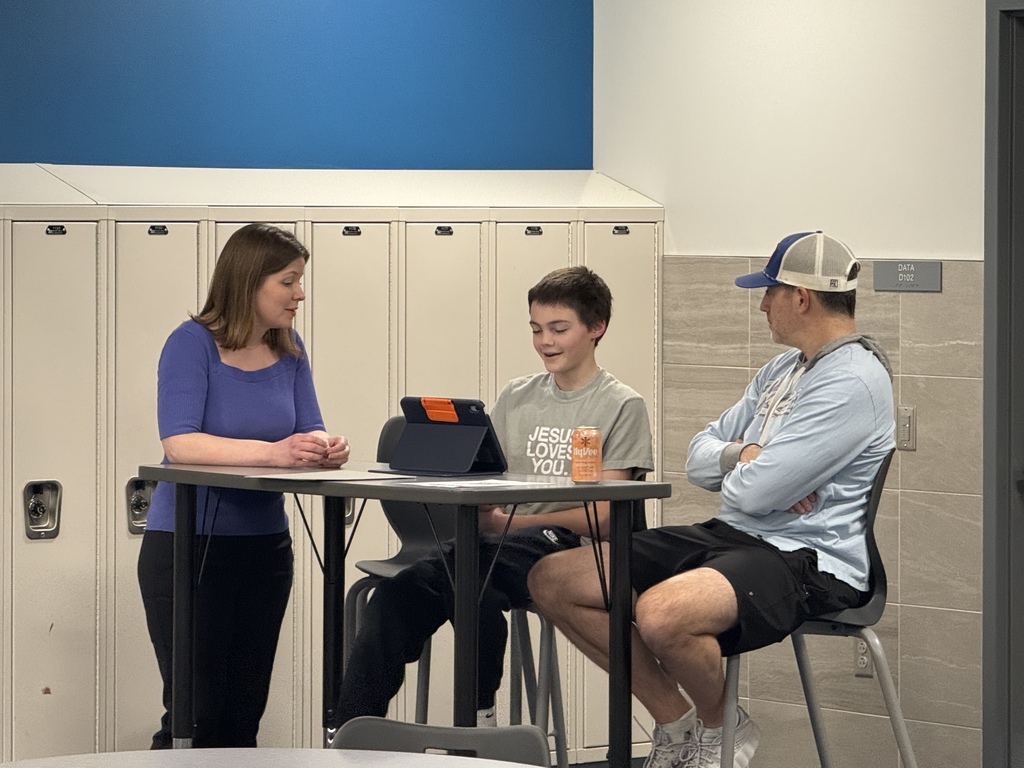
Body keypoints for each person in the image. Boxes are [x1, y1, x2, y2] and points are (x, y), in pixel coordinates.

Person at [528, 232, 896, 768]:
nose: (762, 304)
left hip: (806, 556)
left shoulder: (854, 380)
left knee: (662, 615)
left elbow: (759, 490)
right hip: (733, 534)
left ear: (802, 297)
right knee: (553, 579)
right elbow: (698, 456)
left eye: (770, 292)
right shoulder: (782, 370)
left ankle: (721, 725)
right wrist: (748, 456)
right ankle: (678, 723)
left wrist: (754, 475)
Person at [336, 265, 654, 727]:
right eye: (536, 329)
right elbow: (492, 480)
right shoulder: (517, 394)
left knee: (471, 583)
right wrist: (482, 508)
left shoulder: (622, 403)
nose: (545, 341)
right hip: (494, 545)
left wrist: (507, 521)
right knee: (395, 595)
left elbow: (606, 517)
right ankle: (350, 733)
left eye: (559, 329)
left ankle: (477, 718)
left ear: (596, 327)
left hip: (568, 552)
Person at [137, 223, 351, 748]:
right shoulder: (191, 344)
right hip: (189, 548)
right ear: (249, 282)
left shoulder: (290, 347)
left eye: (300, 281)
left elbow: (308, 424)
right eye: (288, 281)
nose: (300, 294)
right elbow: (181, 443)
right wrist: (276, 453)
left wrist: (323, 446)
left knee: (242, 717)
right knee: (195, 714)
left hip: (264, 550)